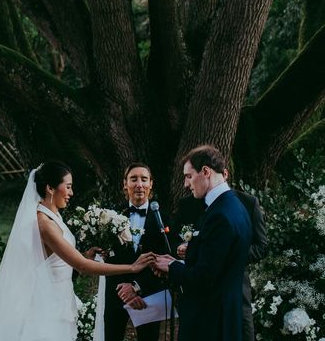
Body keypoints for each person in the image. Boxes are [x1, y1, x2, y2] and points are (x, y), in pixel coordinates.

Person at [0, 161, 154, 341]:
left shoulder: (54, 216)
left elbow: (56, 258)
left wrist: (84, 255)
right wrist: (132, 268)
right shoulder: (44, 224)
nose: (71, 193)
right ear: (50, 188)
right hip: (45, 305)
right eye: (68, 187)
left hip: (59, 300)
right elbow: (82, 267)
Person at [153, 145, 252, 341]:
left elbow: (204, 277)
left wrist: (171, 267)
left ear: (205, 172)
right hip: (223, 314)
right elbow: (216, 263)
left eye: (189, 176)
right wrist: (179, 261)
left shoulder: (220, 215)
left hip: (210, 321)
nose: (185, 184)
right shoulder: (234, 206)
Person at [172, 190, 267, 341]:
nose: (186, 183)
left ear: (224, 173)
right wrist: (182, 248)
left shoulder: (247, 202)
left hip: (234, 287)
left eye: (189, 176)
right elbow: (173, 237)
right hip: (197, 287)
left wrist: (226, 255)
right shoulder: (187, 204)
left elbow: (261, 246)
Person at [103, 163, 171, 341]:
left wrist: (136, 287)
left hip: (148, 294)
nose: (139, 184)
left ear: (151, 184)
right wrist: (124, 290)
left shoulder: (162, 218)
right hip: (115, 293)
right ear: (125, 184)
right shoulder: (109, 216)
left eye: (144, 179)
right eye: (133, 179)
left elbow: (167, 259)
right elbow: (106, 259)